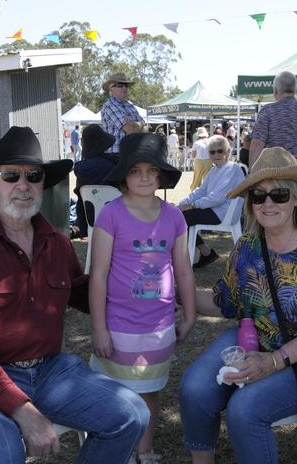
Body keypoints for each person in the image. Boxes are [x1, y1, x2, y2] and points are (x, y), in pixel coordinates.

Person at [0, 126, 149, 464]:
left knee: (132, 415)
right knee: (3, 455)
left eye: (34, 176)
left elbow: (81, 293)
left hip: (49, 369)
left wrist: (141, 297)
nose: (23, 186)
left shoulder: (55, 242)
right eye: (11, 175)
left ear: (44, 183)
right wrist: (24, 411)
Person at [179, 147, 297, 464]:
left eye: (279, 194)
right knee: (194, 388)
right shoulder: (247, 246)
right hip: (256, 341)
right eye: (258, 196)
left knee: (245, 409)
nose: (268, 203)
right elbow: (226, 302)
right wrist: (176, 295)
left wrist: (273, 361)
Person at [89, 132, 196, 464]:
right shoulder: (111, 214)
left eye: (152, 170)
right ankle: (117, 448)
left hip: (159, 329)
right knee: (115, 397)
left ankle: (144, 449)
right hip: (118, 328)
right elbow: (99, 274)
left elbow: (183, 269)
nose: (145, 177)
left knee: (150, 392)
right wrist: (99, 329)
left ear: (161, 174)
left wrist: (190, 313)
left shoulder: (175, 216)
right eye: (136, 171)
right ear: (124, 175)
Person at [178, 135, 245, 268]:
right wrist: (181, 204)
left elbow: (217, 198)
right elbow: (200, 191)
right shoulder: (214, 170)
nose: (216, 154)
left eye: (220, 151)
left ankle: (183, 259)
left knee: (181, 218)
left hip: (223, 214)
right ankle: (205, 252)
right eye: (212, 152)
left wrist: (191, 205)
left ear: (227, 151)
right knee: (179, 215)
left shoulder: (232, 169)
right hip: (214, 210)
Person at [249, 71, 297, 168]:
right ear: (295, 91)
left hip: (275, 177)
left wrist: (253, 174)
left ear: (275, 90)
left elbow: (257, 144)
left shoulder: (268, 111)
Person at [71, 125, 119, 238]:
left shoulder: (81, 169)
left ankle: (80, 228)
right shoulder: (116, 164)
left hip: (91, 219)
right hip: (117, 218)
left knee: (80, 197)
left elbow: (80, 199)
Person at [100, 72, 144, 153]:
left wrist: (134, 123)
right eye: (120, 85)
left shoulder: (130, 105)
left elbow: (144, 126)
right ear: (111, 88)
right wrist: (139, 124)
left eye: (126, 85)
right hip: (116, 156)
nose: (124, 88)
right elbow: (130, 129)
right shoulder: (109, 106)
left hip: (132, 154)